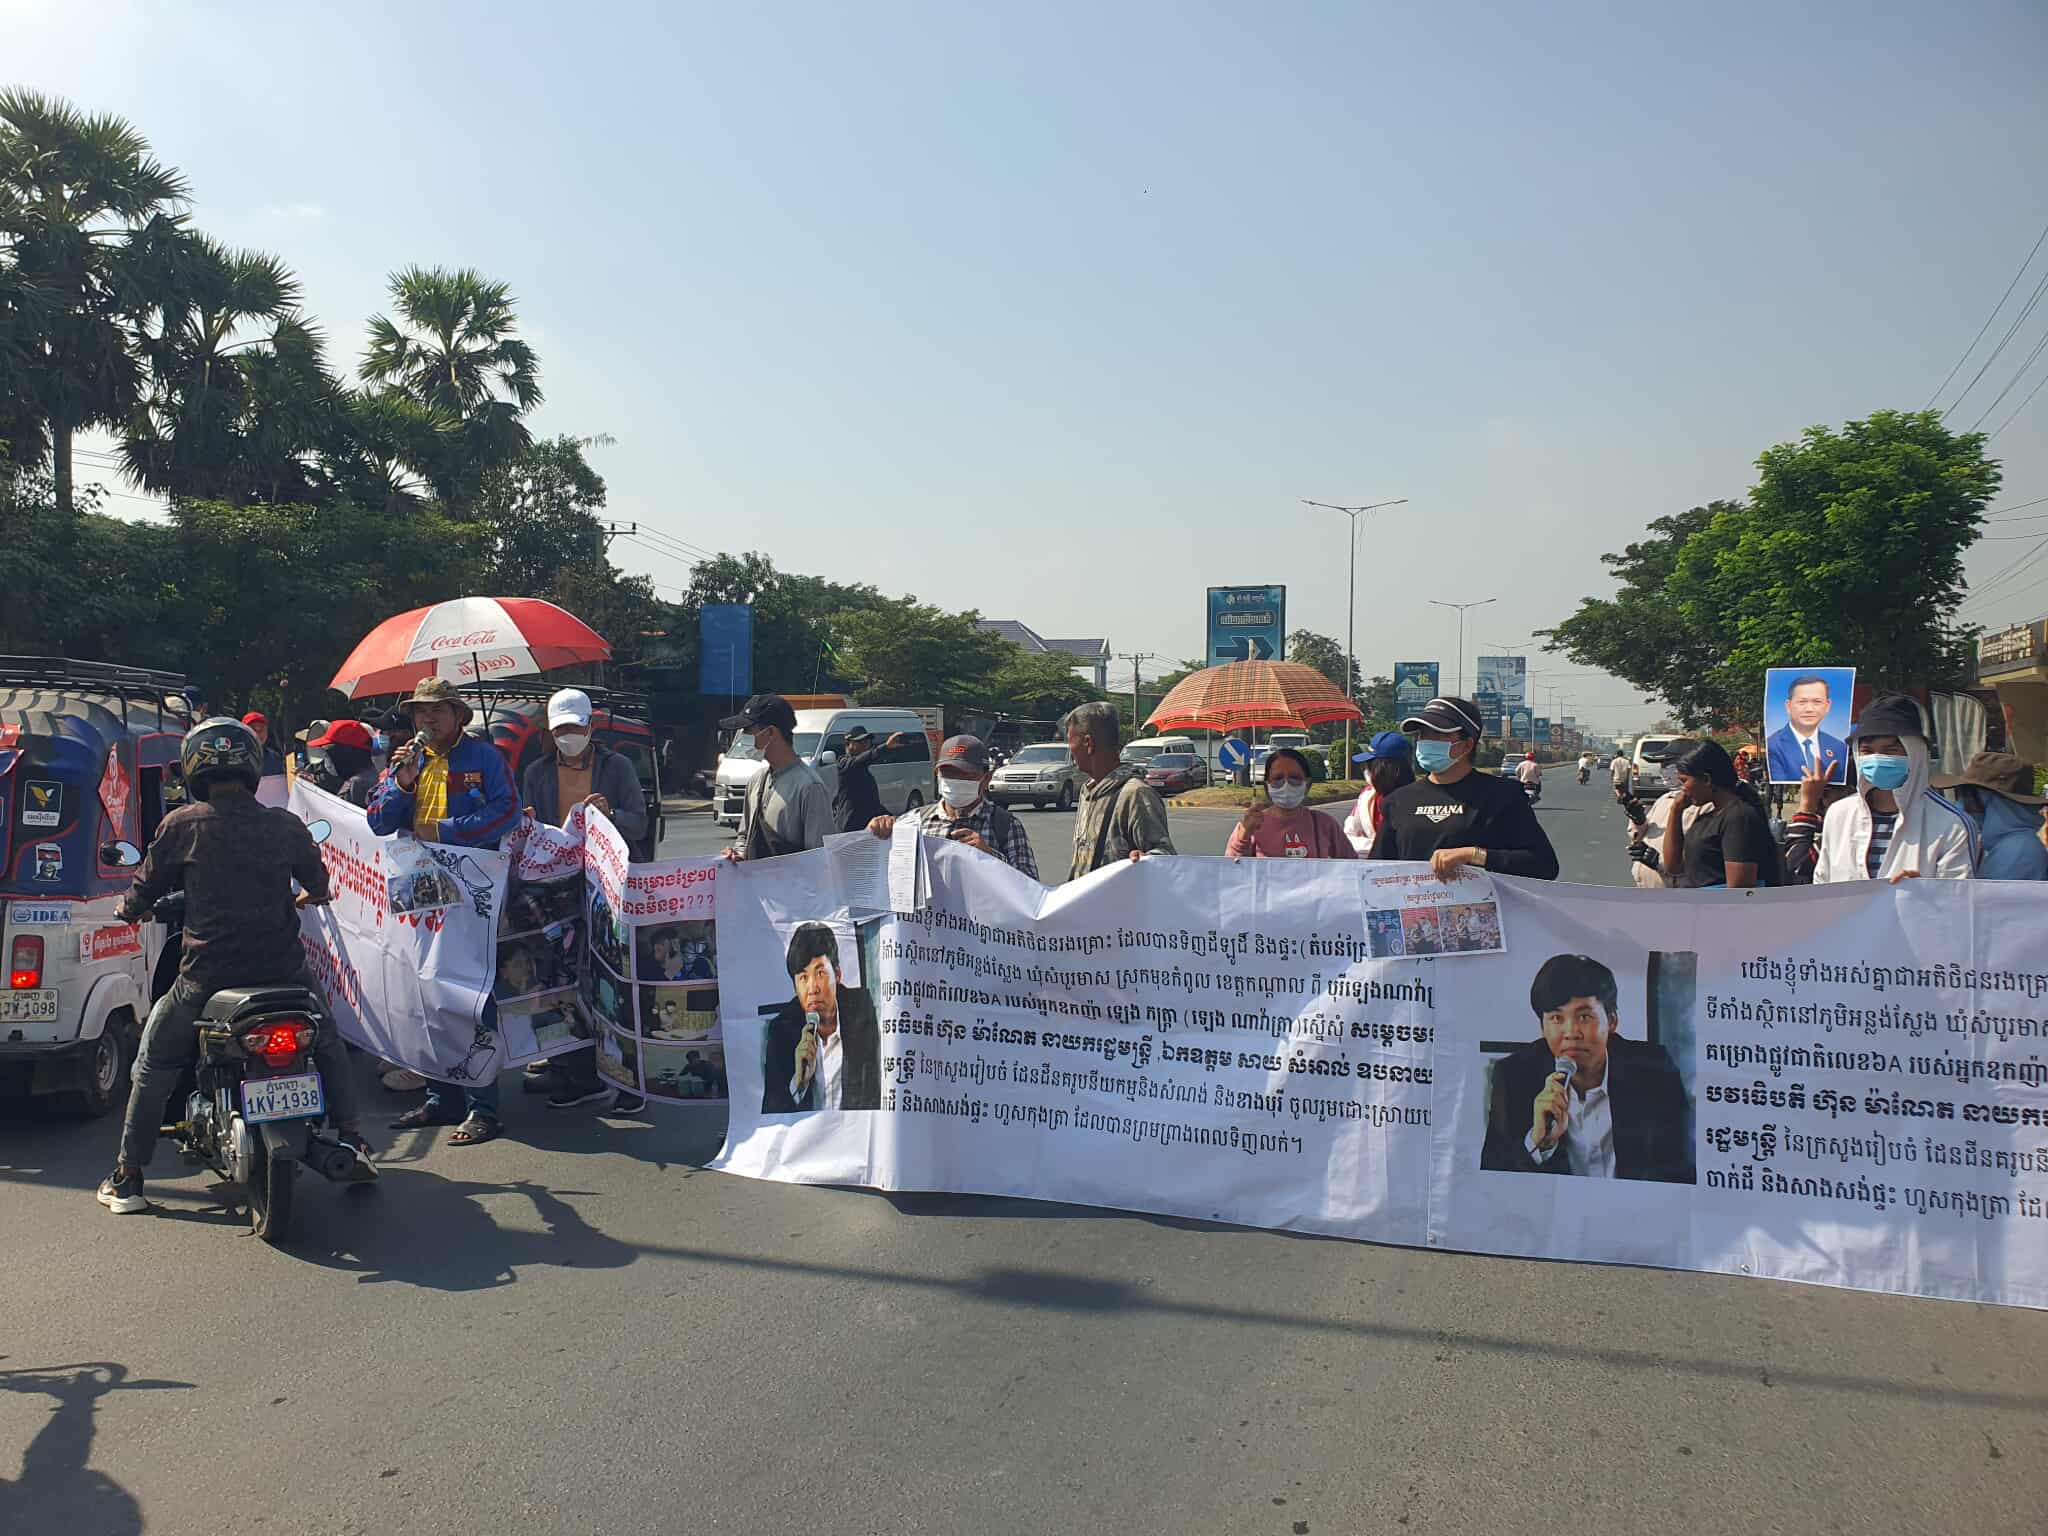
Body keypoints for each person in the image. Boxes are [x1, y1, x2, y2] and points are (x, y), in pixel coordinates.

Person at [97, 718, 371, 1214]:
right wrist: (309, 894)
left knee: (154, 1061)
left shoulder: (182, 824)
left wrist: (129, 909)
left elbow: (143, 889)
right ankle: (355, 1138)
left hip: (206, 977)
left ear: (194, 769)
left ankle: (128, 1177)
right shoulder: (284, 824)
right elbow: (320, 882)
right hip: (283, 972)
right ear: (250, 765)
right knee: (328, 1040)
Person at [368, 677, 518, 1145]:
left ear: (457, 715)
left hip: (470, 889)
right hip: (417, 884)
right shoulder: (404, 761)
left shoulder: (484, 758)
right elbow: (377, 820)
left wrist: (446, 830)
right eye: (419, 712)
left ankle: (482, 1107)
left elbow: (507, 812)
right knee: (424, 991)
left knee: (470, 994)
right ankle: (441, 1098)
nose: (427, 719)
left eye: (436, 710)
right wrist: (402, 783)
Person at [520, 688, 650, 1112]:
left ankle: (629, 1080)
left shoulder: (617, 768)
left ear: (590, 728)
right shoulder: (537, 772)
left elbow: (639, 822)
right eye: (560, 730)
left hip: (606, 888)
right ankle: (574, 1074)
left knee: (613, 980)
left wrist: (612, 815)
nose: (568, 737)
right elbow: (529, 825)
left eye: (574, 728)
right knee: (559, 983)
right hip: (556, 889)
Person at [1480, 953, 1695, 1183]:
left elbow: (1681, 1168)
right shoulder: (1513, 1077)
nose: (1571, 1033)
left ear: (1611, 1021)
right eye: (1556, 1018)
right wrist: (1539, 1143)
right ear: (1542, 1027)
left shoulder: (1654, 1069)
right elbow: (1493, 1179)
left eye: (1584, 1017)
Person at [1369, 697, 1559, 880]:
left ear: (1467, 745)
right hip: (1415, 902)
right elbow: (1374, 871)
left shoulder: (1503, 796)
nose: (1427, 741)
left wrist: (1475, 855)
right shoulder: (1399, 801)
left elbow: (1544, 865)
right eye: (1423, 734)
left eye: (1439, 734)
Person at [1813, 693, 1975, 883]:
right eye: (1867, 751)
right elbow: (1822, 883)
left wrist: (1925, 891)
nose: (1877, 758)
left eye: (1891, 750)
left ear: (1915, 753)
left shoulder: (1951, 824)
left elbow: (1958, 895)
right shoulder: (1839, 814)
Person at [867, 734, 1038, 877]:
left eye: (966, 774)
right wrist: (874, 835)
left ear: (986, 778)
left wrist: (990, 857)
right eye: (948, 773)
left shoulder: (1006, 825)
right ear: (937, 774)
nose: (956, 780)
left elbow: (1031, 889)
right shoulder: (913, 823)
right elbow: (875, 873)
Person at [761, 922, 880, 1113]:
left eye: (820, 973)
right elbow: (770, 1113)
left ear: (837, 974)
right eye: (803, 977)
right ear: (795, 986)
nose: (812, 988)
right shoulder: (781, 1031)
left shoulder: (865, 1011)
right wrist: (798, 1083)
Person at [1063, 700, 1175, 879]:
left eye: (1070, 743)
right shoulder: (1087, 792)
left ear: (1088, 743)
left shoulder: (1135, 794)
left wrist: (1145, 860)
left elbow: (1166, 858)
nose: (1070, 752)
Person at [721, 693, 832, 861]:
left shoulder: (809, 786)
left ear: (771, 732)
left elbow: (818, 857)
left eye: (748, 730)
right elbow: (744, 838)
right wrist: (737, 854)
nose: (743, 737)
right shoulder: (756, 780)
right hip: (756, 877)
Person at [1660, 739, 1779, 889]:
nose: (1682, 789)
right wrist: (1676, 811)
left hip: (1717, 904)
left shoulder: (1738, 818)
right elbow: (1673, 867)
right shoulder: (1707, 818)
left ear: (1706, 779)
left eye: (1684, 781)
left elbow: (1740, 889)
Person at [1932, 752, 2048, 881]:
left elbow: (1977, 894)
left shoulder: (2018, 849)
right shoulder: (2005, 843)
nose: (1960, 803)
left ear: (1992, 801)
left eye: (1967, 795)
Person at [1227, 746, 1355, 860]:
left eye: (1295, 778)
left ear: (1307, 785)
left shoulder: (1324, 824)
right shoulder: (1251, 825)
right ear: (1267, 786)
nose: (1286, 784)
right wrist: (1244, 834)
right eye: (1278, 778)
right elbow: (1231, 867)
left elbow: (1352, 865)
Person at [1766, 673, 1849, 784]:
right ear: (1788, 706)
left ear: (1827, 705)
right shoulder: (1773, 746)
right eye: (1802, 702)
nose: (1809, 709)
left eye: (1817, 702)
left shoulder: (1839, 748)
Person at [1343, 731, 1415, 853]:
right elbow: (1347, 837)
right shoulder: (1367, 796)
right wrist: (1375, 846)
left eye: (1369, 765)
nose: (1366, 770)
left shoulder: (1417, 799)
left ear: (1384, 768)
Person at [833, 726, 907, 833]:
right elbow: (861, 760)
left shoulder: (864, 772)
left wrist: (894, 819)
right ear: (848, 744)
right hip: (849, 831)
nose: (865, 745)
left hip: (866, 830)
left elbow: (872, 804)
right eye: (860, 742)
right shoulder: (844, 764)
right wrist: (886, 747)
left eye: (867, 741)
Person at [305, 719, 380, 808]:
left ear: (344, 754)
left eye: (330, 753)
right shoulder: (372, 774)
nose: (326, 758)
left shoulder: (355, 785)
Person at [242, 710, 287, 778]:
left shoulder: (275, 758)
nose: (258, 733)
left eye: (262, 729)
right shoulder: (234, 758)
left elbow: (284, 780)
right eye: (253, 729)